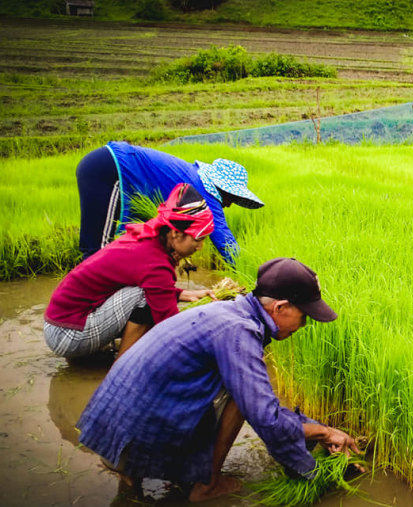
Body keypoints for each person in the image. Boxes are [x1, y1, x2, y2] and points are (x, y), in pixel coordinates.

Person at [76, 258, 364, 502]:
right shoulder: (239, 333)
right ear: (281, 307)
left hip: (110, 432)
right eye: (305, 317)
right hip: (128, 441)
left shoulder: (228, 313)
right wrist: (324, 434)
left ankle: (133, 480)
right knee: (241, 398)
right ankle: (207, 485)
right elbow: (267, 419)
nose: (304, 325)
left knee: (242, 389)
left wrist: (312, 429)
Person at [44, 183, 217, 360]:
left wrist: (181, 294)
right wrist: (206, 350)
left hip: (61, 324)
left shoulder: (149, 236)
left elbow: (155, 286)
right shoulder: (155, 263)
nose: (200, 247)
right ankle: (124, 365)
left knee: (146, 295)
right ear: (175, 233)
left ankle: (111, 356)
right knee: (143, 297)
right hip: (66, 335)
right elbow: (170, 326)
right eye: (198, 239)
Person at [75, 141, 265, 263]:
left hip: (107, 163)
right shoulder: (205, 191)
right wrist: (250, 275)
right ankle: (83, 312)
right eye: (232, 197)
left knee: (119, 250)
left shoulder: (193, 177)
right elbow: (226, 243)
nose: (229, 204)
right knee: (96, 251)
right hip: (111, 168)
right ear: (222, 188)